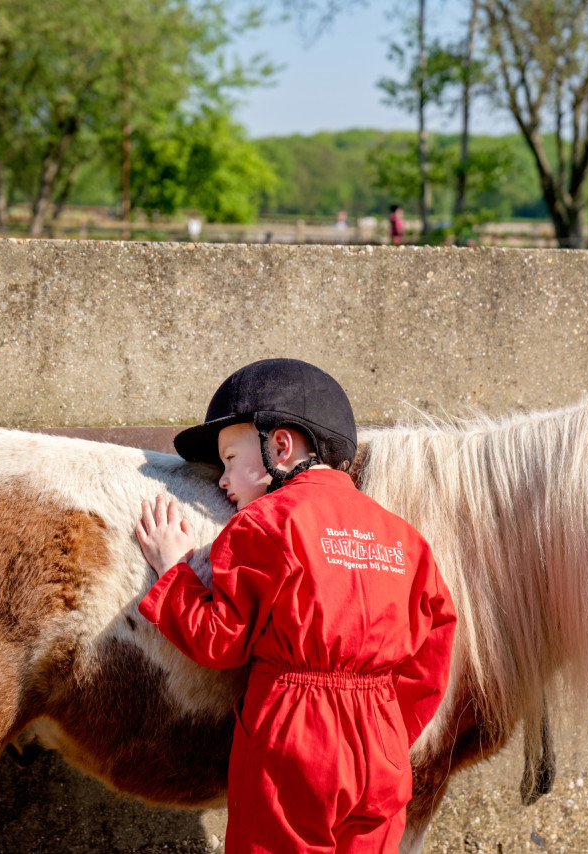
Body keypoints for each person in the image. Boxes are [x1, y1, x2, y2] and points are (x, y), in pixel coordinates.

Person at [135, 358, 456, 854]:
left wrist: (175, 569)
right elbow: (431, 661)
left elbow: (219, 640)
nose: (222, 480)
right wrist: (386, 733)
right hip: (384, 743)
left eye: (229, 458)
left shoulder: (265, 523)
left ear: (280, 446)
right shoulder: (406, 540)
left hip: (297, 741)